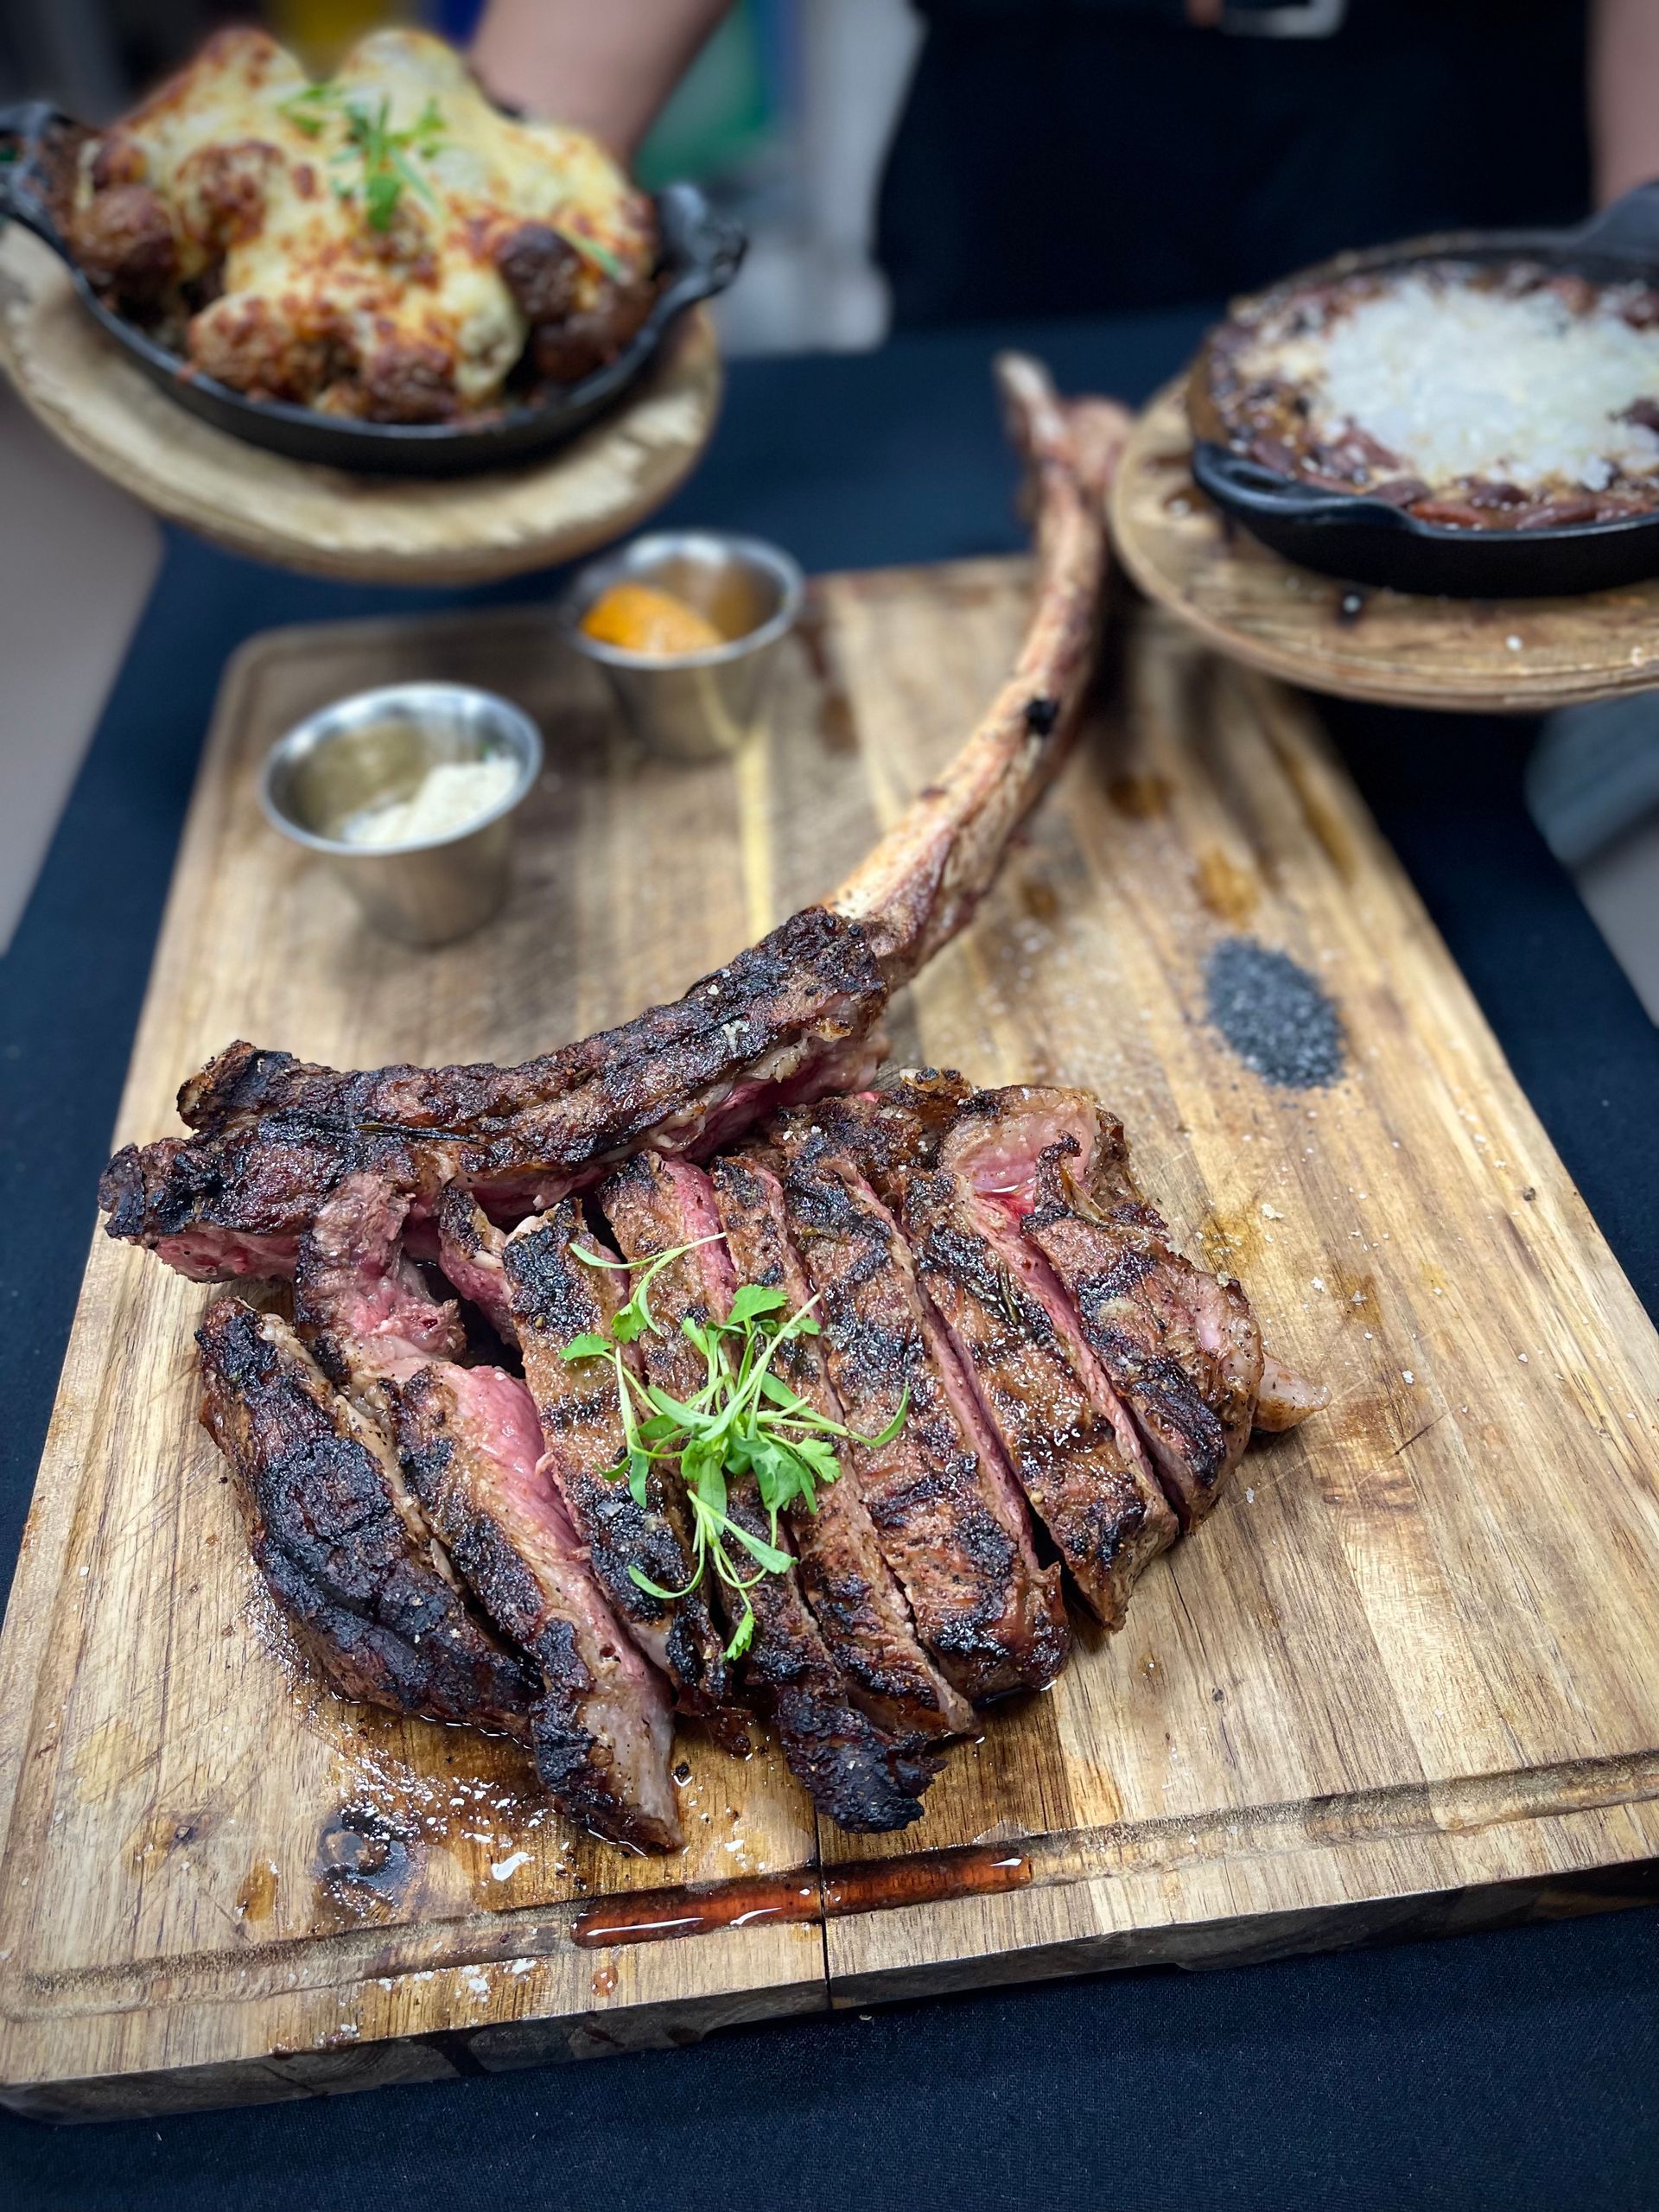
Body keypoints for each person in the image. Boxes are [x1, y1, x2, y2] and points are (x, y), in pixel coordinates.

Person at [471, 0, 1659, 324]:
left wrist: (1642, 244)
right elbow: (513, 160)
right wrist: (474, 208)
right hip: (1037, 123)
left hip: (1457, 120)